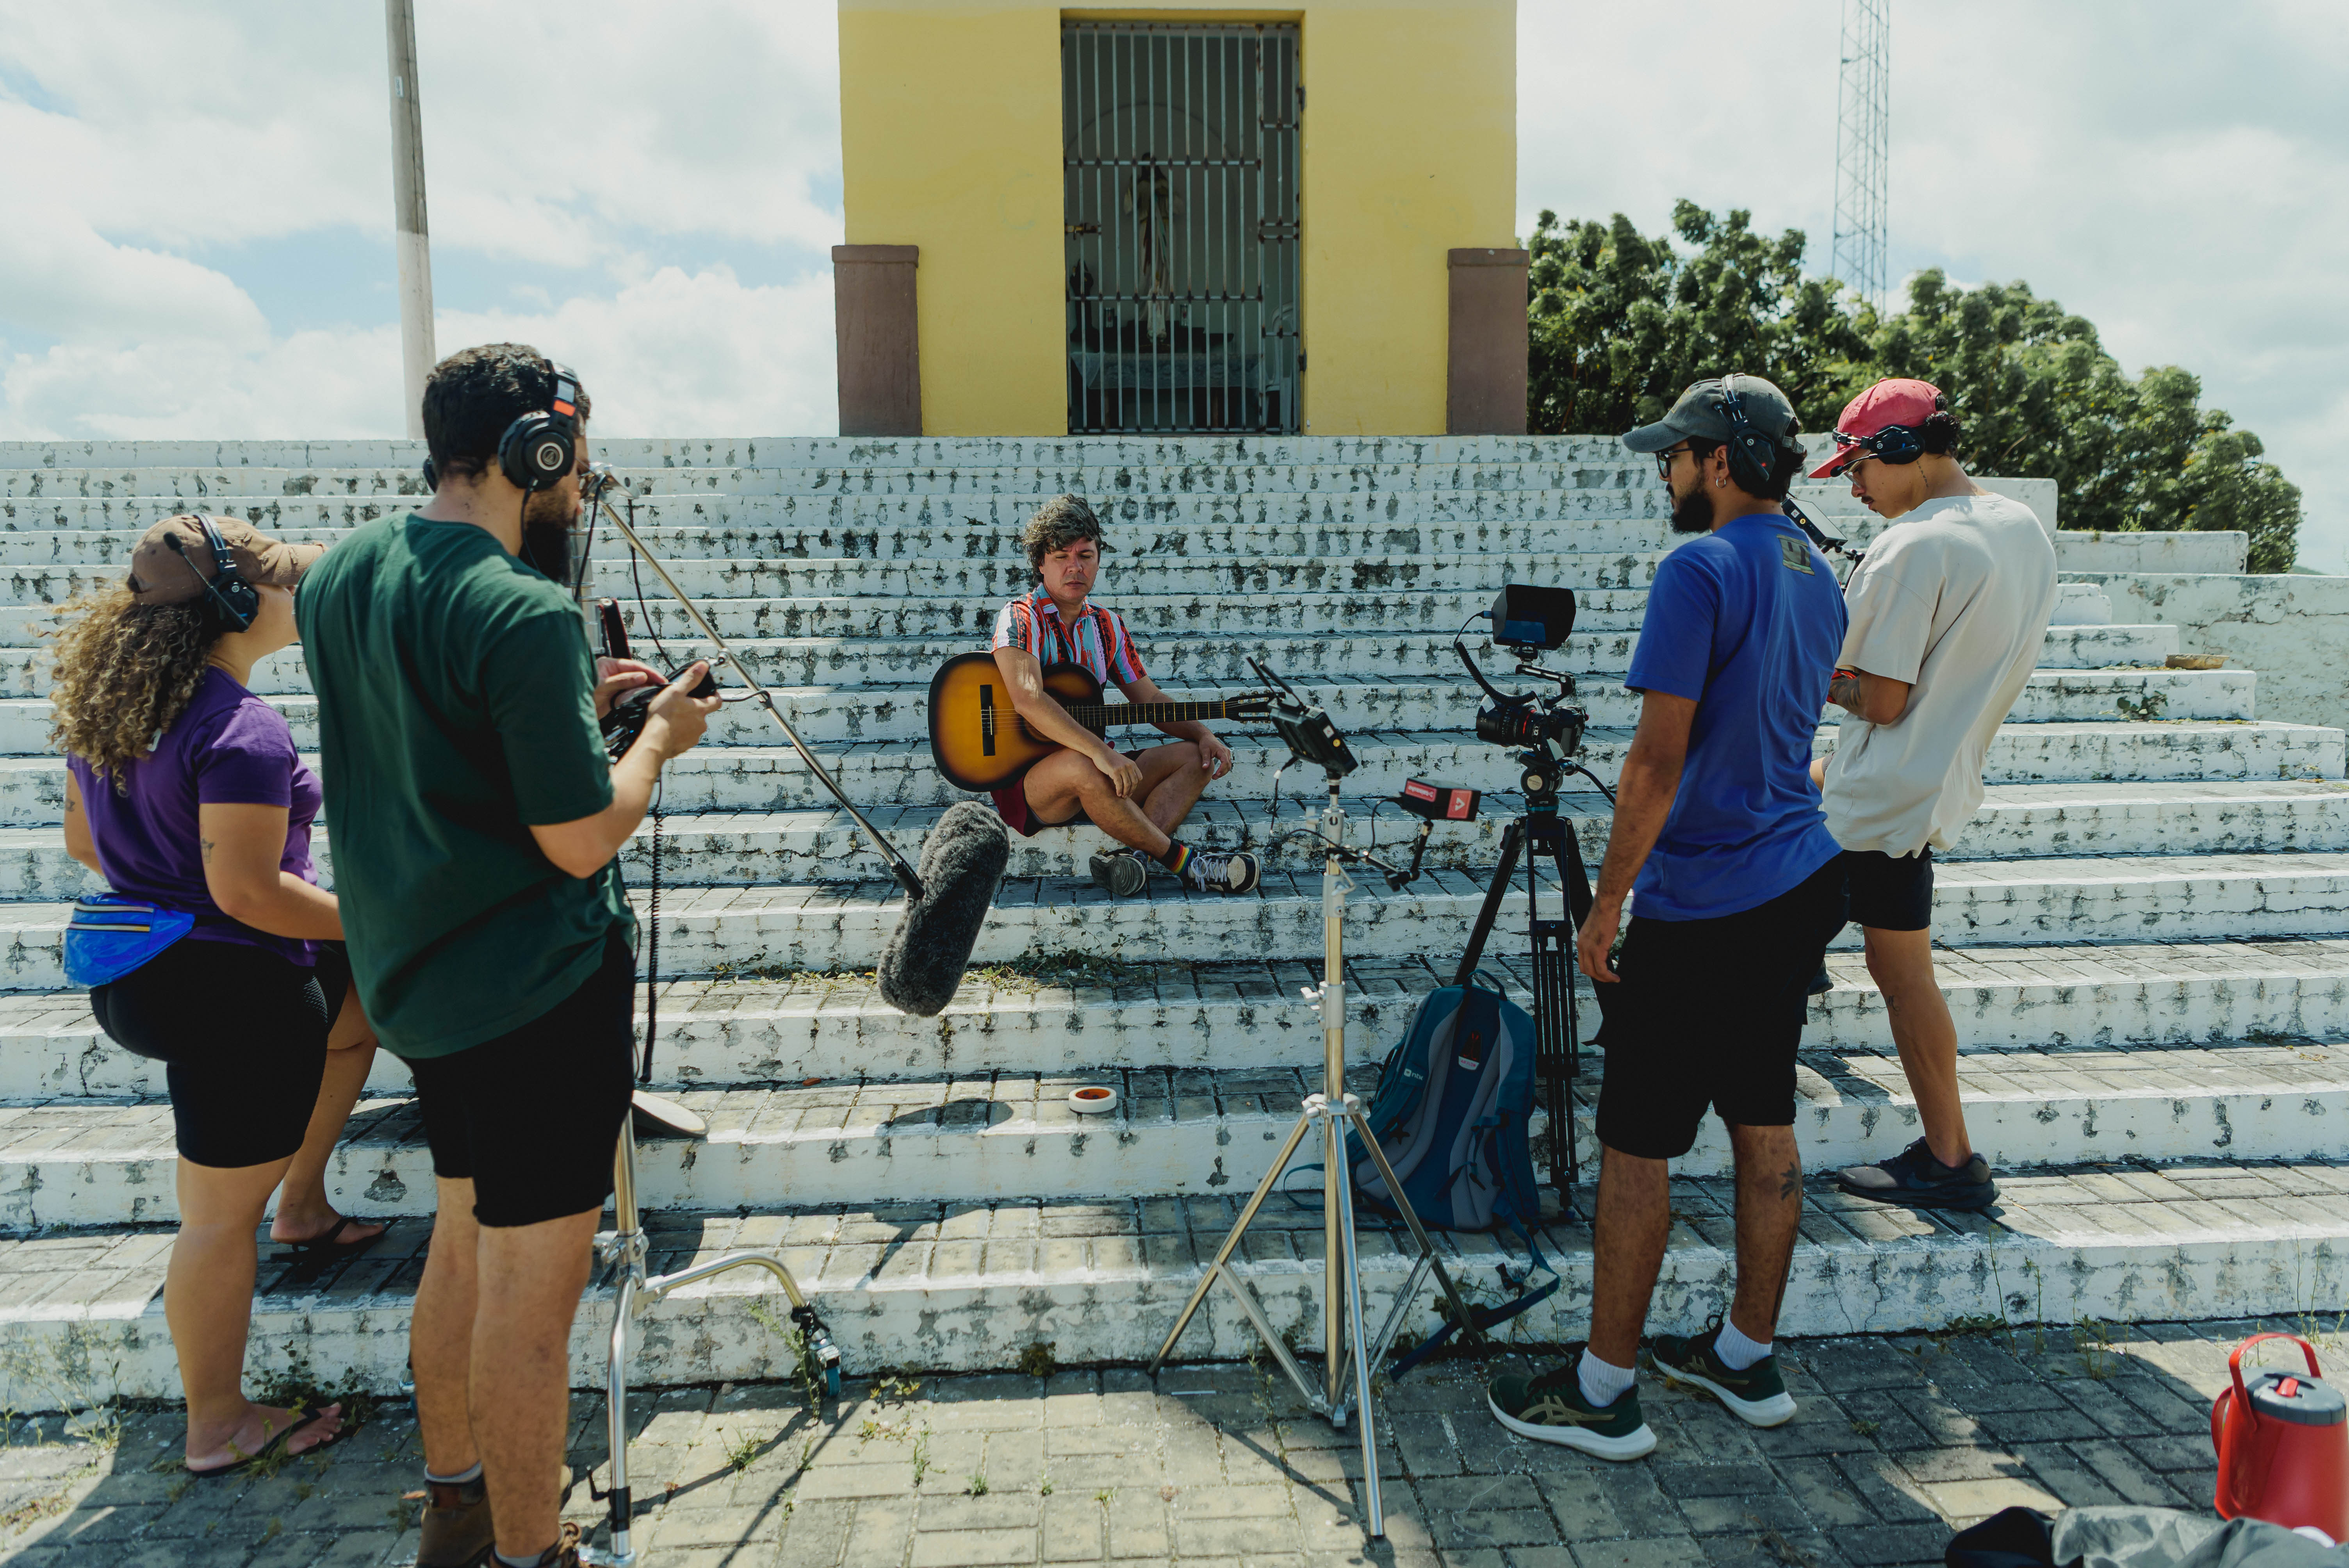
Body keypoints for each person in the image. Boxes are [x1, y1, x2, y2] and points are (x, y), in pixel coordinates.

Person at [296, 344, 719, 1568]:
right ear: (536, 448)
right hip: (535, 993)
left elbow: (436, 735)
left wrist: (568, 704)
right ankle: (536, 1554)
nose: (584, 481)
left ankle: (457, 1509)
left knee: (462, 1242)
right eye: (576, 455)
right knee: (533, 1306)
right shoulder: (523, 607)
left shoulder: (343, 576)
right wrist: (658, 739)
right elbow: (580, 838)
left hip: (420, 984)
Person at [1486, 375, 1848, 1458]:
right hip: (1796, 878)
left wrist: (1607, 902)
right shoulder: (1815, 570)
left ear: (1720, 460)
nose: (1666, 472)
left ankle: (1603, 1391)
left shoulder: (1699, 567)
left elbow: (1654, 758)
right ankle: (1745, 1356)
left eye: (1676, 455)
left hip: (1707, 900)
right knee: (1763, 1117)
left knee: (1636, 1144)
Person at [52, 515, 383, 1476]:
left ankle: (303, 1203)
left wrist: (168, 869)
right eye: (287, 582)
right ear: (240, 605)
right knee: (212, 1219)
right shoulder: (242, 726)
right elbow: (249, 893)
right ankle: (218, 1422)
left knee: (356, 1013)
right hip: (233, 989)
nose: (300, 597)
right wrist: (385, 921)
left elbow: (84, 842)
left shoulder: (120, 704)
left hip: (147, 967)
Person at [1810, 379, 2058, 1212]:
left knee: (1731, 896)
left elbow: (1878, 700)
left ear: (1901, 450)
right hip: (1931, 786)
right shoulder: (2021, 529)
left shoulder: (1910, 546)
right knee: (1900, 970)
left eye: (1857, 468)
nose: (1853, 487)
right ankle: (1951, 1158)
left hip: (1872, 798)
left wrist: (1809, 666)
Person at [989, 494, 1260, 897]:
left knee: (1197, 757)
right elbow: (1029, 698)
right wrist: (1101, 752)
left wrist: (1203, 733)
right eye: (1061, 556)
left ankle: (1134, 861)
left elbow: (1148, 700)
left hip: (1099, 768)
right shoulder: (1020, 616)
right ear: (1041, 563)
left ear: (1099, 559)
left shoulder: (1107, 625)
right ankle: (1190, 865)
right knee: (1083, 764)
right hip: (1035, 781)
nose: (1075, 567)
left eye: (1086, 555)